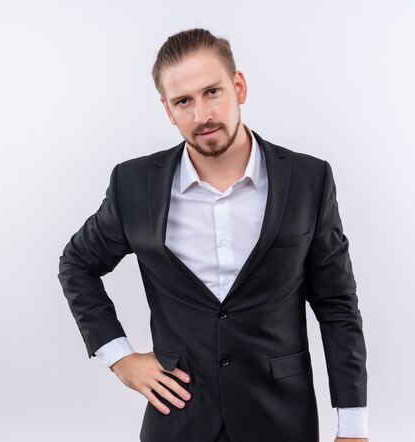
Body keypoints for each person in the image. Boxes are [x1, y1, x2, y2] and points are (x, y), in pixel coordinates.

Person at [58, 28, 368, 442]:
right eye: (183, 101)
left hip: (280, 417)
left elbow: (336, 306)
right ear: (168, 110)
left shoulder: (308, 180)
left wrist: (354, 428)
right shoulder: (134, 185)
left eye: (212, 92)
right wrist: (119, 357)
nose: (201, 114)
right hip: (178, 416)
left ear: (238, 86)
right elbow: (77, 263)